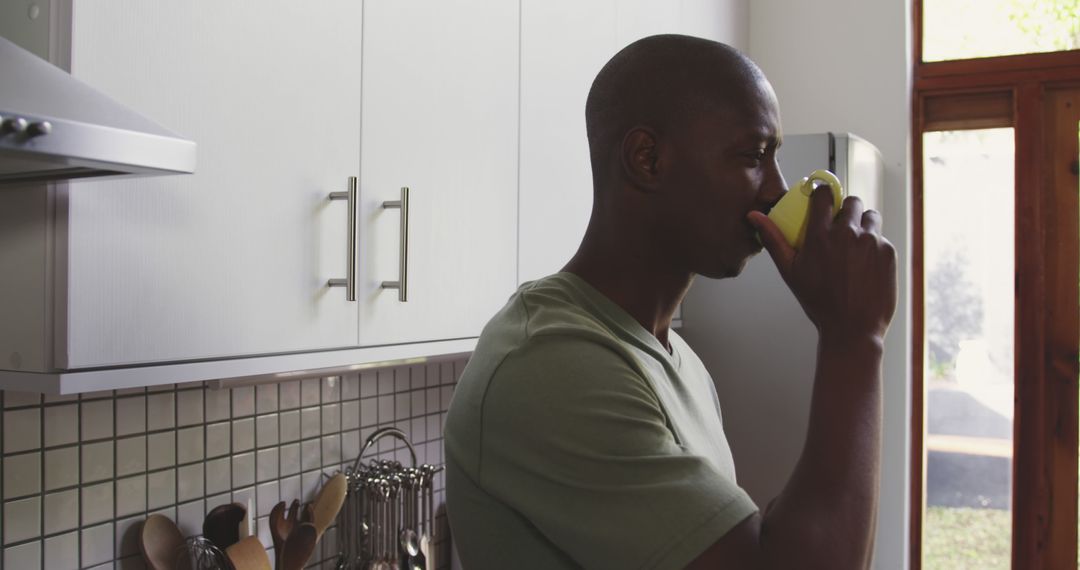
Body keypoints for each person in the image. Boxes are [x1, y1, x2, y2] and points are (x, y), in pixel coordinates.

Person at [444, 34, 897, 570]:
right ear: (647, 159)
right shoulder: (550, 362)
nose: (776, 190)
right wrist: (854, 341)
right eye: (753, 157)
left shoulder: (674, 359)